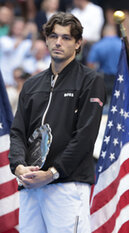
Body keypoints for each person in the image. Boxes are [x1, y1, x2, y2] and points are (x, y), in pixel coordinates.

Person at [8, 12, 106, 233]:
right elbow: (17, 132)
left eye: (66, 38)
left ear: (78, 43)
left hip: (67, 185)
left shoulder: (91, 81)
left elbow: (85, 136)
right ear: (46, 39)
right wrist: (19, 167)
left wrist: (52, 173)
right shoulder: (32, 84)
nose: (58, 42)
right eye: (53, 36)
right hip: (30, 186)